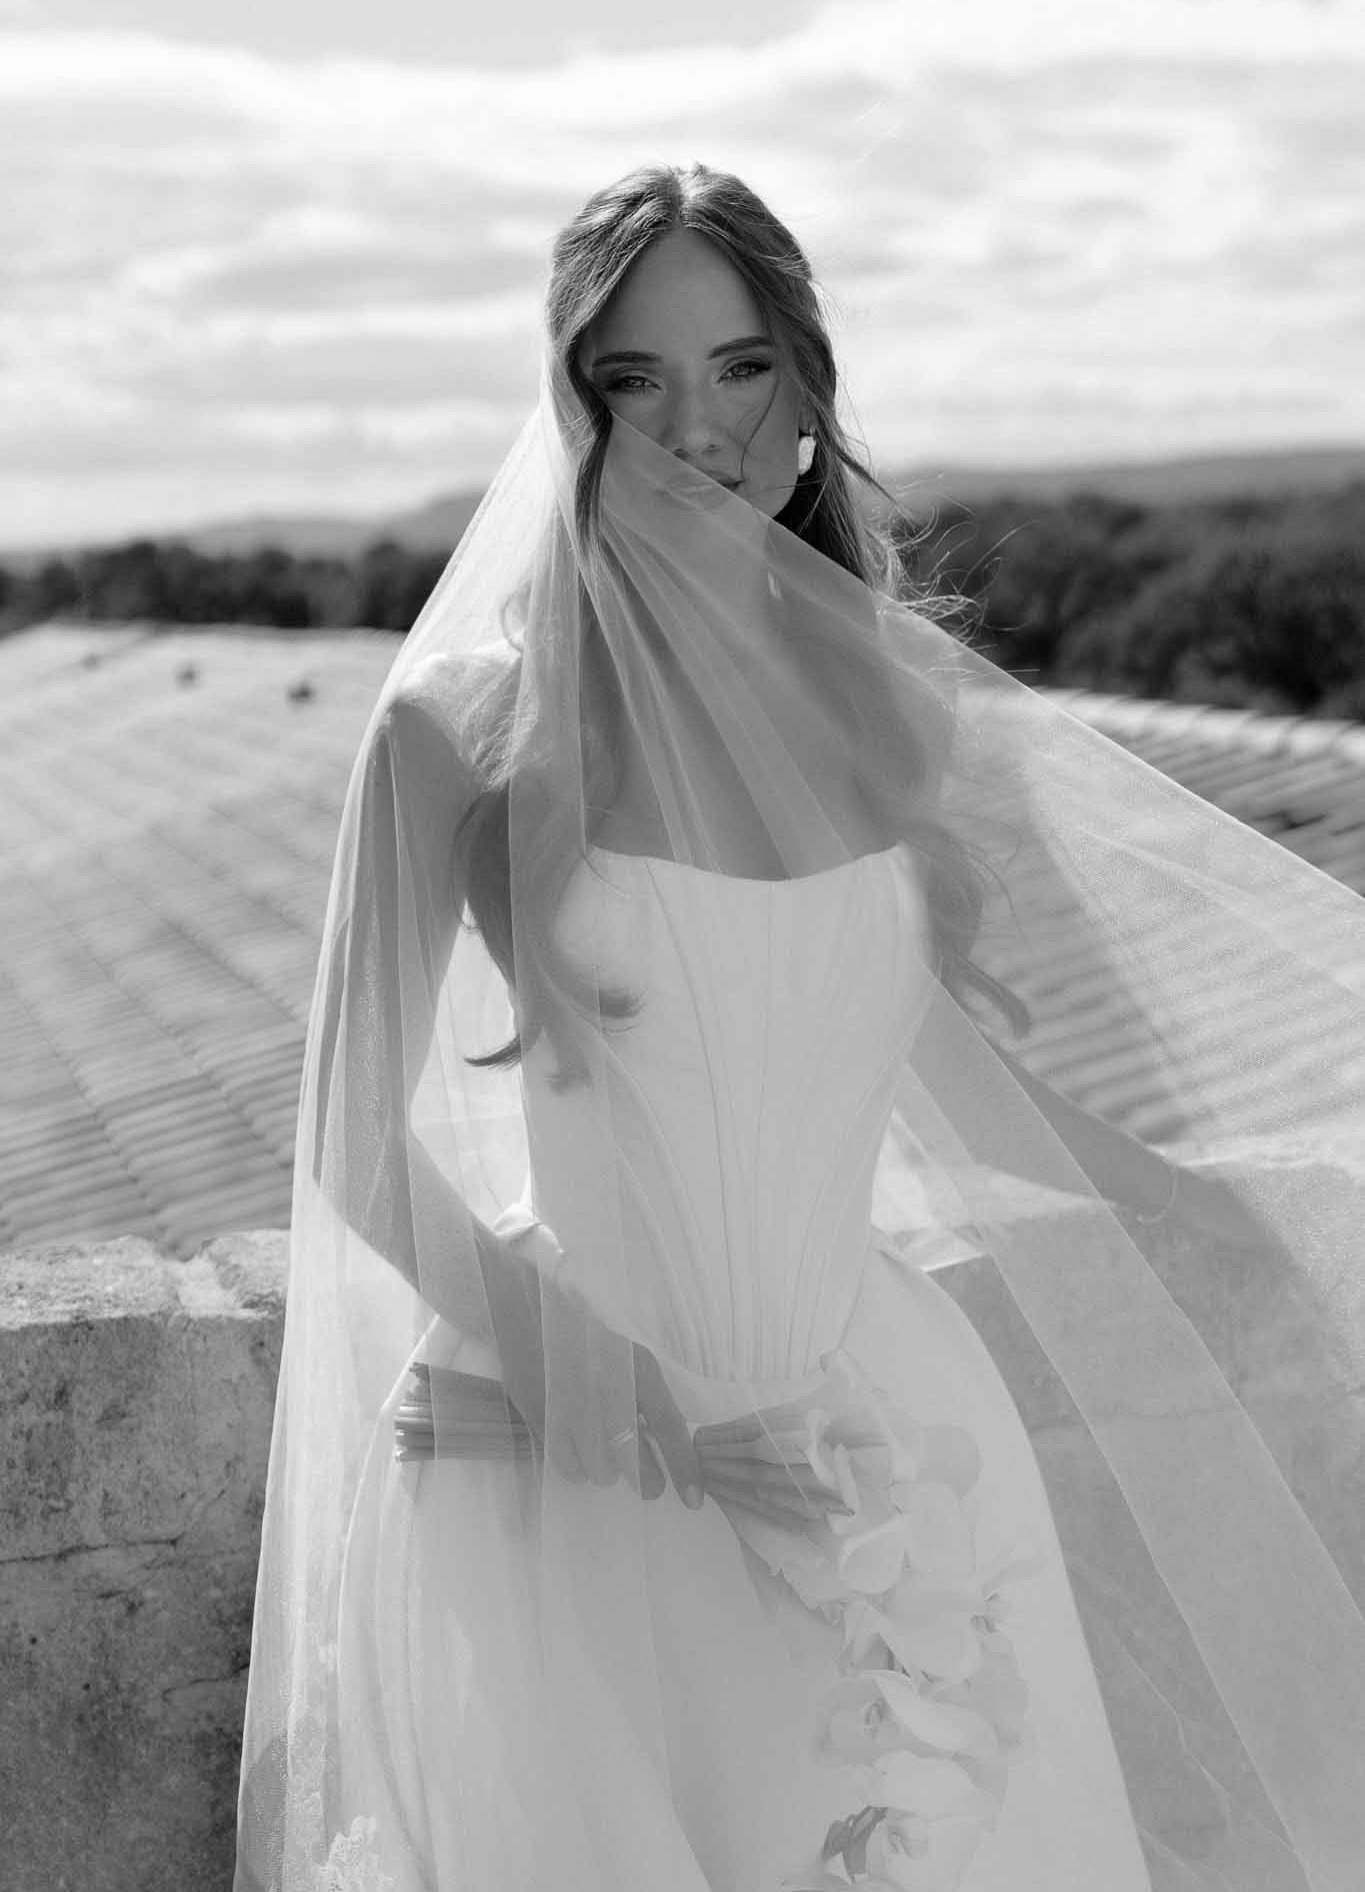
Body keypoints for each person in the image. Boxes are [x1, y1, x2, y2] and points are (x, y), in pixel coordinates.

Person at [235, 164, 1365, 1892]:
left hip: (892, 1442)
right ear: (573, 406)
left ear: (807, 389)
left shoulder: (893, 690)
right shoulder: (457, 730)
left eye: (741, 367)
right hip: (577, 1460)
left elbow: (968, 1094)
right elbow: (346, 1141)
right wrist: (599, 1386)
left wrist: (1222, 1212)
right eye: (634, 378)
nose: (698, 427)